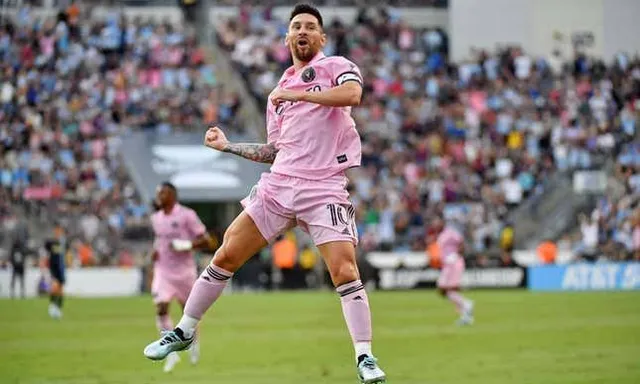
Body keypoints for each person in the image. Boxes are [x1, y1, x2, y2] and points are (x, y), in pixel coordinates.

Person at [143, 4, 386, 383]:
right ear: (287, 38)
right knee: (226, 253)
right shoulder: (278, 94)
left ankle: (365, 357)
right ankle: (184, 331)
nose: (303, 31)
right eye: (296, 27)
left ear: (321, 38)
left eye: (310, 27)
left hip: (323, 186)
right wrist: (228, 147)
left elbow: (353, 95)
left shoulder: (336, 66)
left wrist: (303, 95)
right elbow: (275, 150)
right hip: (280, 184)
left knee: (344, 270)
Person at [150, 182, 214, 372]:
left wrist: (184, 245)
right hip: (163, 270)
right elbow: (159, 239)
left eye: (162, 193)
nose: (159, 197)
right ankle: (170, 353)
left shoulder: (187, 215)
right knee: (161, 308)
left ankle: (194, 345)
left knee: (190, 313)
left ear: (172, 195)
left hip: (184, 271)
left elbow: (207, 240)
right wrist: (154, 251)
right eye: (157, 193)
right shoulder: (156, 218)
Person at [435, 219, 474, 325]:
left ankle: (466, 309)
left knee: (445, 288)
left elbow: (461, 243)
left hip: (453, 263)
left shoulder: (450, 233)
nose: (435, 224)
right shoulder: (440, 235)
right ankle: (465, 309)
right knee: (444, 290)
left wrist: (456, 255)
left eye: (437, 222)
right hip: (447, 264)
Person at [42, 224, 67, 320]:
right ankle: (52, 307)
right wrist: (43, 263)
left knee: (61, 290)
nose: (58, 232)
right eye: (57, 230)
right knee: (54, 287)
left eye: (60, 230)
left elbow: (65, 254)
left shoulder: (63, 242)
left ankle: (58, 309)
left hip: (61, 269)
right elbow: (45, 253)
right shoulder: (50, 242)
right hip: (53, 268)